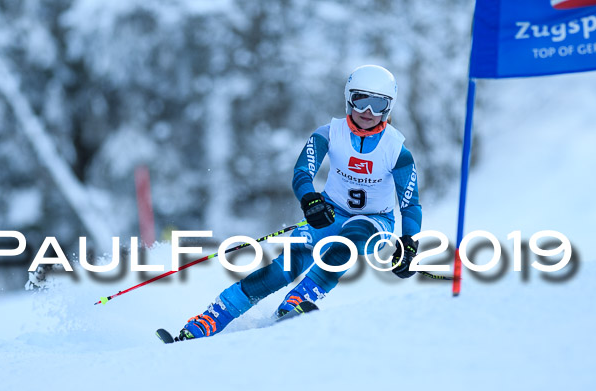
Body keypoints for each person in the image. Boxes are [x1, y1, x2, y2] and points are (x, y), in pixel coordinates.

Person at [178, 64, 422, 340]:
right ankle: (208, 320)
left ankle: (294, 305)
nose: (368, 112)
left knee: (350, 241)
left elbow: (410, 203)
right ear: (348, 99)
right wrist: (310, 200)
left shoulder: (396, 150)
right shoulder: (330, 133)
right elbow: (302, 171)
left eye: (378, 104)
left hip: (376, 221)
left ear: (389, 108)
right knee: (282, 270)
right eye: (361, 100)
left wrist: (409, 243)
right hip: (330, 212)